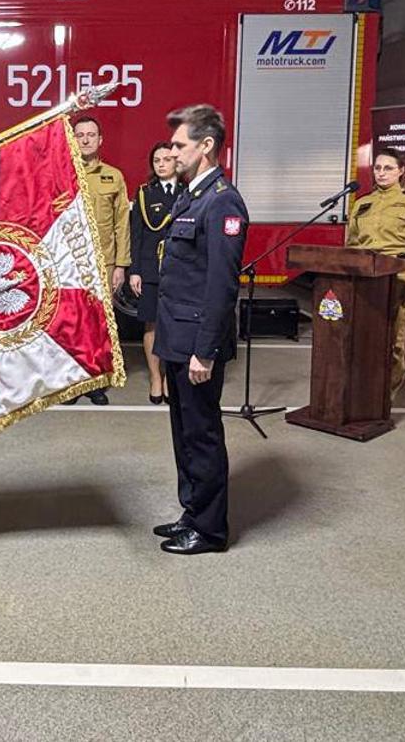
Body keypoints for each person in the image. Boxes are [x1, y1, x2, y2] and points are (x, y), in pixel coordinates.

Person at [152, 104, 245, 555]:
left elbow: (220, 286)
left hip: (197, 344)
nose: (172, 152)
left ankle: (210, 530)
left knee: (203, 435)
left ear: (206, 146)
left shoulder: (223, 201)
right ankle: (192, 512)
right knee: (183, 432)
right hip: (176, 338)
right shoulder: (192, 195)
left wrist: (204, 351)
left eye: (179, 145)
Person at [344, 148, 405, 397]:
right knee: (361, 339)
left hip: (398, 279)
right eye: (378, 168)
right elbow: (351, 245)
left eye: (388, 168)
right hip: (363, 280)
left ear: (401, 172)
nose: (381, 173)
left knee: (393, 343)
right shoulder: (362, 203)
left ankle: (384, 400)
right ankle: (361, 395)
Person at [67, 116, 131, 405]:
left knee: (99, 325)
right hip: (66, 263)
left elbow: (121, 223)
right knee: (69, 324)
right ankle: (70, 384)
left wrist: (120, 265)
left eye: (91, 134)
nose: (85, 139)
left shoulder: (113, 176)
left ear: (100, 139)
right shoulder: (61, 173)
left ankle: (95, 382)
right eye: (79, 134)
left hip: (102, 263)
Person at [127, 141, 183, 405]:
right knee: (152, 324)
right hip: (151, 268)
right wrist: (135, 271)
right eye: (156, 160)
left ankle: (171, 378)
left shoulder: (188, 192)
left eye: (166, 160)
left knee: (175, 325)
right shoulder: (144, 194)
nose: (161, 164)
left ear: (176, 162)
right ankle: (155, 377)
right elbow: (136, 235)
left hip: (181, 270)